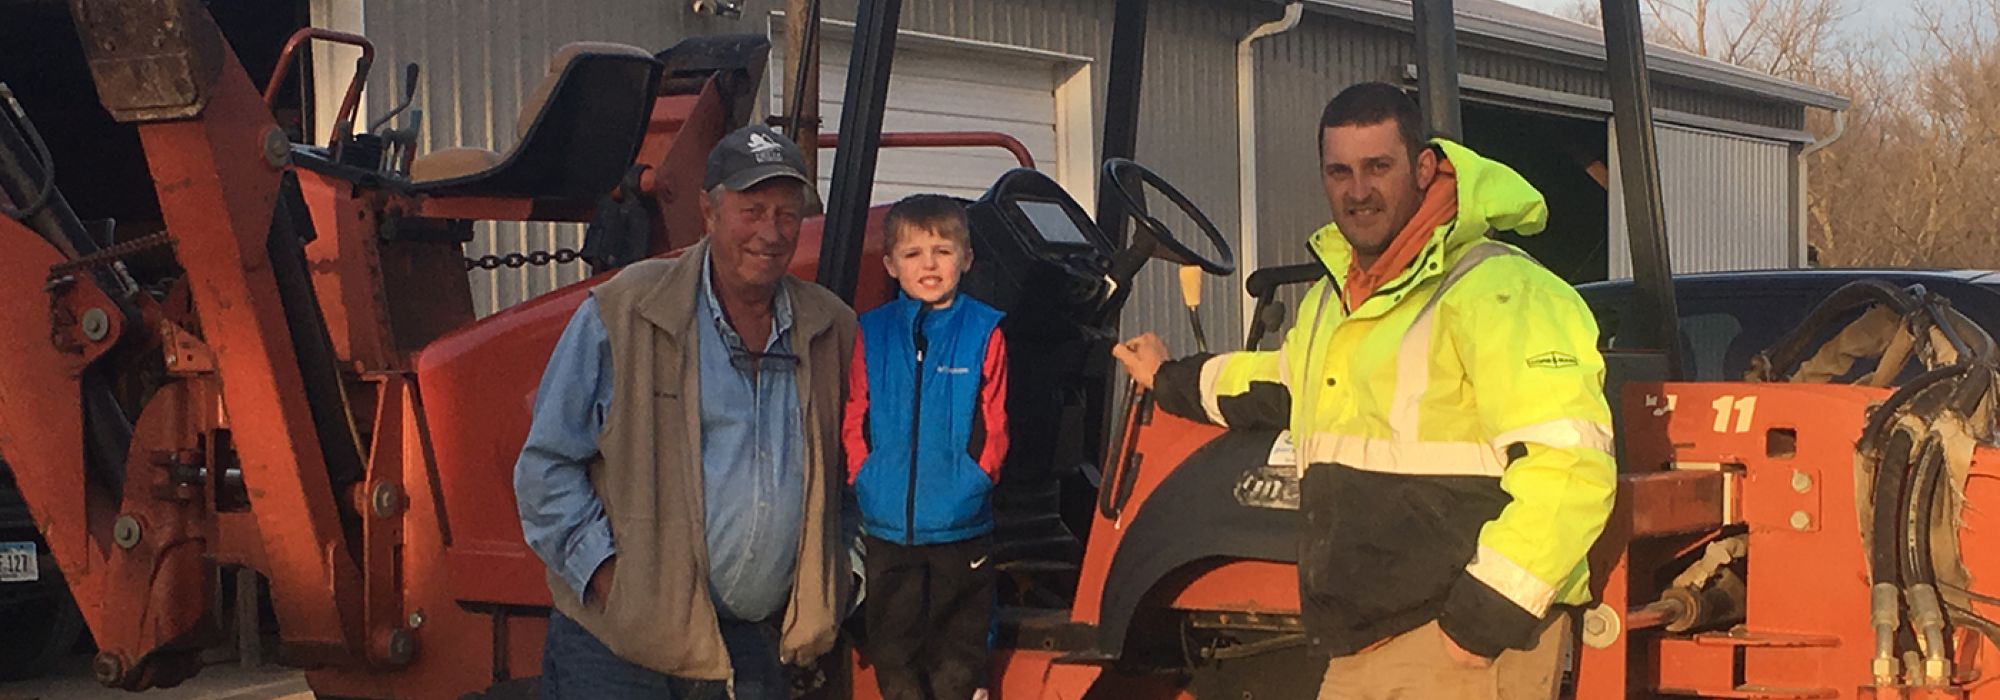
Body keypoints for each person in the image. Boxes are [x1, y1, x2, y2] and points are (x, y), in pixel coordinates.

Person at [1111, 82, 1615, 699]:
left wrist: (1481, 620)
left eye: (1379, 167)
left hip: (1458, 639)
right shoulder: (1337, 298)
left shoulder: (1501, 292)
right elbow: (1282, 384)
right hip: (1371, 635)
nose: (1358, 190)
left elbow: (1570, 467)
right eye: (1339, 171)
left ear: (1424, 166)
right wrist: (1169, 378)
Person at [514, 124, 855, 699]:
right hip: (619, 653)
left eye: (787, 214)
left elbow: (860, 478)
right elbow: (545, 466)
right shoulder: (626, 310)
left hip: (750, 650)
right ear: (709, 211)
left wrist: (838, 583)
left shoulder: (830, 327)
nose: (770, 233)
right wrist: (611, 581)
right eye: (752, 210)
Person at [842, 194, 1009, 700]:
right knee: (895, 654)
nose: (929, 264)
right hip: (890, 527)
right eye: (914, 254)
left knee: (957, 659)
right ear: (891, 265)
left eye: (942, 250)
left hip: (961, 528)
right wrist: (864, 479)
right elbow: (856, 414)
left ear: (967, 258)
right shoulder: (870, 332)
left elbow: (993, 422)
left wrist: (976, 480)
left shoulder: (984, 330)